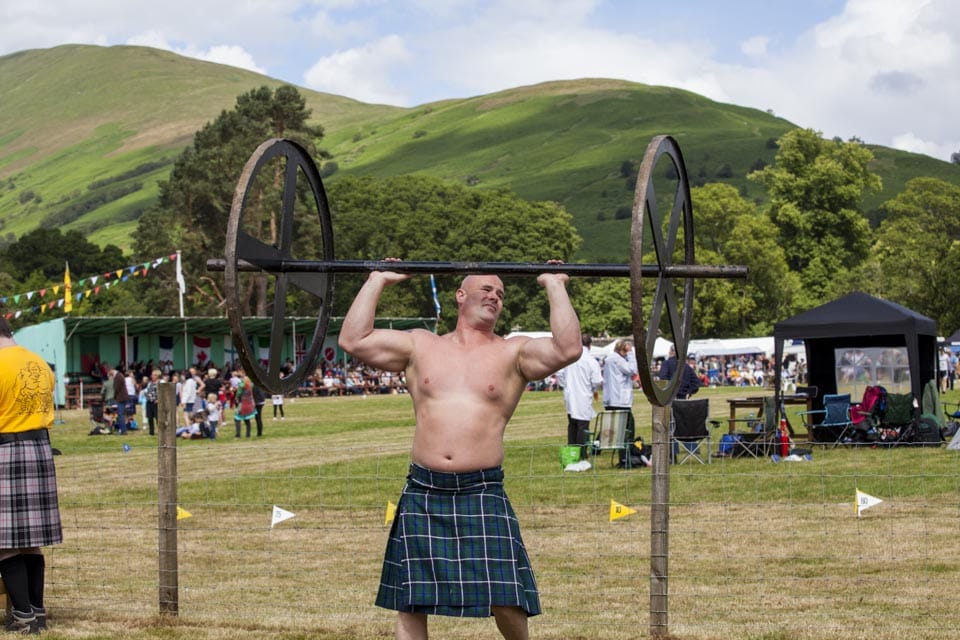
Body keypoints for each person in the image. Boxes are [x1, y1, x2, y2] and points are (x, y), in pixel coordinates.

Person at [338, 266, 581, 640]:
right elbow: (354, 339)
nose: (495, 297)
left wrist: (554, 284)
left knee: (506, 597)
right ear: (460, 295)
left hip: (481, 490)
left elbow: (568, 348)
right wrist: (377, 280)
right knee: (411, 601)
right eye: (486, 289)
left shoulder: (512, 352)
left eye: (500, 294)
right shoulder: (421, 345)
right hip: (424, 488)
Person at [0, 317, 62, 633]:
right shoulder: (38, 362)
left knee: (5, 541)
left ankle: (23, 617)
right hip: (39, 447)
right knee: (31, 542)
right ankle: (37, 614)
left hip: (6, 449)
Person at [556, 333, 602, 460]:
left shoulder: (569, 358)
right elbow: (597, 380)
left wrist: (566, 386)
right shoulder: (591, 361)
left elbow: (559, 373)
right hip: (584, 394)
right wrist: (593, 389)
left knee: (572, 424)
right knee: (583, 425)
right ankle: (581, 452)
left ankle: (571, 451)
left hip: (570, 394)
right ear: (590, 345)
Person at [602, 339, 639, 464]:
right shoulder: (619, 360)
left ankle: (598, 448)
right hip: (620, 400)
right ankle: (625, 455)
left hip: (610, 399)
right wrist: (631, 354)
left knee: (612, 427)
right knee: (628, 429)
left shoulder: (608, 359)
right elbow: (633, 370)